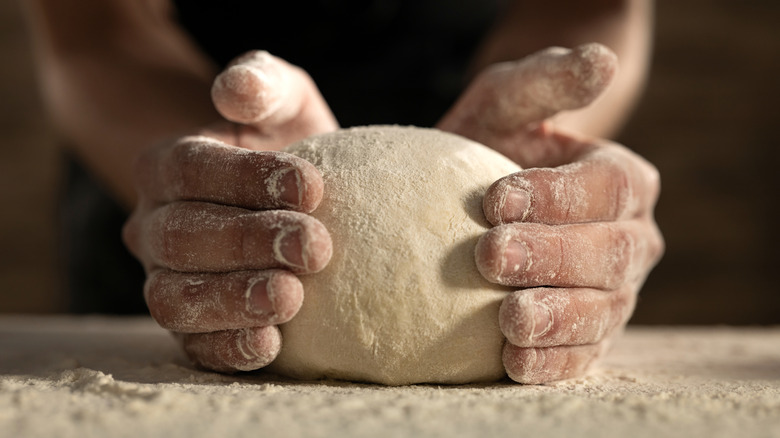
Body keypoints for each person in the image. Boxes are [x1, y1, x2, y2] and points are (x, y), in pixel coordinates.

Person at [24, 0, 663, 384]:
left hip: (483, 161)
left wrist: (537, 145)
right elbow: (95, 27)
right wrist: (201, 166)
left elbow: (592, 6)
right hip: (205, 193)